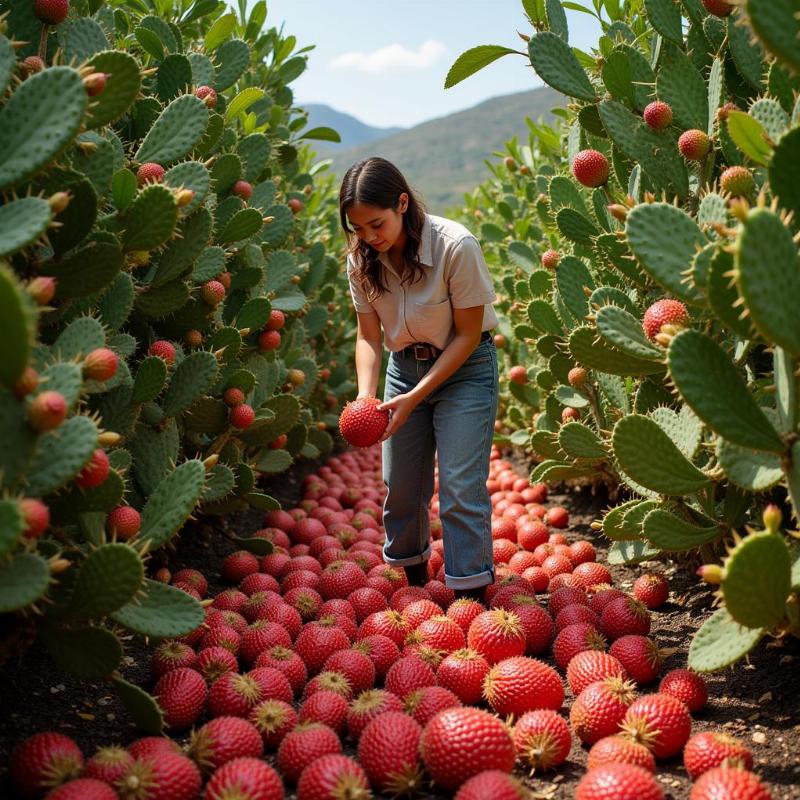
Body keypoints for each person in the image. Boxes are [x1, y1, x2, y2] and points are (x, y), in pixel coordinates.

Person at [339, 157, 499, 602]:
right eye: (359, 229)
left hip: (464, 371)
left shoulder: (455, 246)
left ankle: (471, 595)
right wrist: (365, 399)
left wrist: (416, 396)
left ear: (403, 203)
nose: (370, 238)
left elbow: (468, 335)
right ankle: (414, 590)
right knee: (402, 487)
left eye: (377, 224)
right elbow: (369, 337)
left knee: (460, 487)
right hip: (401, 368)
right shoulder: (361, 260)